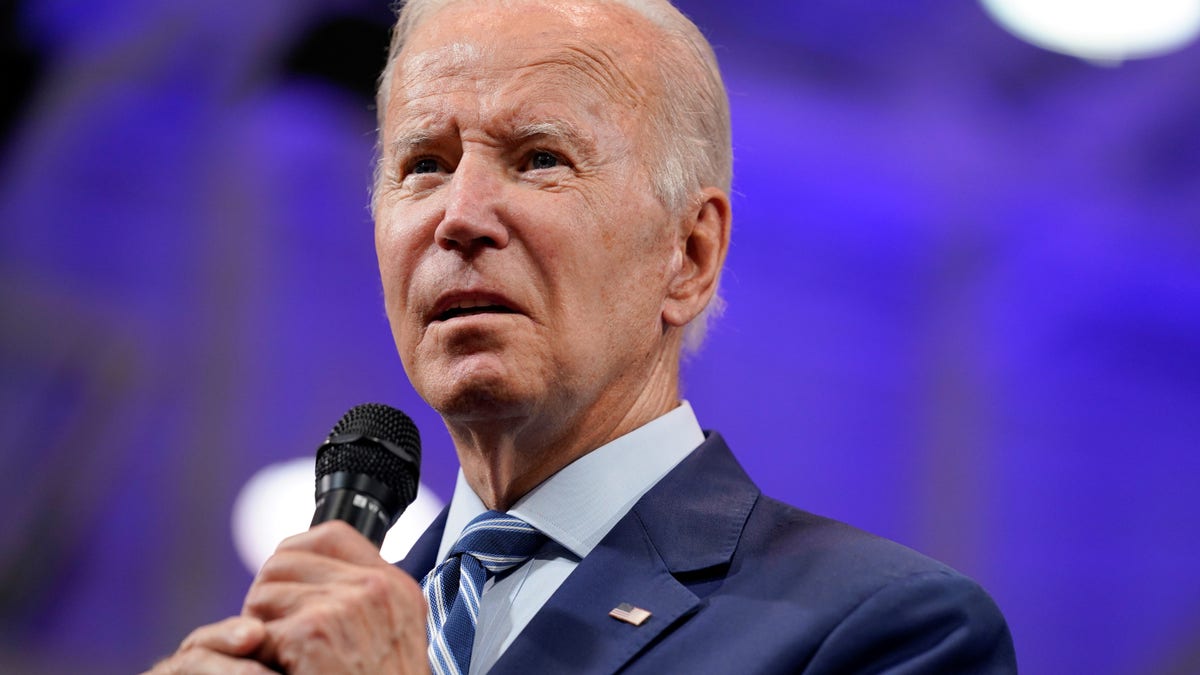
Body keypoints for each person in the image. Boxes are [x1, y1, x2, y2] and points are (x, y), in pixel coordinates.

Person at [149, 0, 1017, 673]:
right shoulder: (323, 639)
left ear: (690, 254)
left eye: (538, 158)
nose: (459, 217)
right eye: (425, 164)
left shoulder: (887, 628)